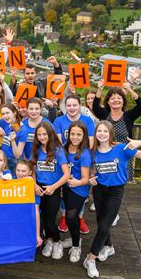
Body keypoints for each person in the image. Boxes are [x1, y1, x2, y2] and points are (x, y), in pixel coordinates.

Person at [83, 121, 141, 279]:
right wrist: (91, 180)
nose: (102, 133)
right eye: (99, 131)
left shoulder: (121, 148)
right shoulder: (93, 152)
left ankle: (90, 259)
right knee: (102, 220)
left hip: (116, 191)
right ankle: (108, 246)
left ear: (110, 133)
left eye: (105, 131)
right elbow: (92, 173)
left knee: (103, 226)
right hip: (99, 190)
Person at [53, 95, 95, 234]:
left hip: (80, 158)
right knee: (64, 190)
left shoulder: (87, 120)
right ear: (65, 106)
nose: (71, 108)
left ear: (79, 105)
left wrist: (82, 156)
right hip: (65, 158)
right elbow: (59, 142)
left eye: (74, 105)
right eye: (69, 105)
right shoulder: (59, 120)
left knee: (80, 189)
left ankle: (80, 217)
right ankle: (64, 216)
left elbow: (90, 142)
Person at [93, 81, 141, 183]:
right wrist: (100, 89)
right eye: (112, 98)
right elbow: (95, 106)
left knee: (120, 186)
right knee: (104, 182)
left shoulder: (129, 116)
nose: (115, 100)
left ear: (123, 101)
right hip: (106, 157)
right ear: (108, 102)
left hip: (124, 157)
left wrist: (130, 89)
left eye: (119, 98)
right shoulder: (104, 115)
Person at [32, 121, 70, 260]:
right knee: (41, 218)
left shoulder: (58, 151)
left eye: (45, 134)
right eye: (39, 134)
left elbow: (66, 175)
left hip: (53, 188)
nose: (42, 137)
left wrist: (53, 187)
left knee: (50, 220)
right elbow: (33, 170)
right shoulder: (36, 150)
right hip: (39, 188)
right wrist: (34, 183)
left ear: (50, 134)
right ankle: (49, 240)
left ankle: (58, 241)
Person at [61, 121, 92, 263]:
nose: (75, 137)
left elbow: (86, 178)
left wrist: (77, 182)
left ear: (84, 135)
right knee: (68, 216)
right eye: (72, 134)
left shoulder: (84, 154)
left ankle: (76, 245)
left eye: (79, 134)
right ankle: (74, 238)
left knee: (71, 217)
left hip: (78, 190)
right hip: (66, 188)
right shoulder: (65, 148)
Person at [15, 159, 43, 248]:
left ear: (30, 172)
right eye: (18, 170)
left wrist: (37, 235)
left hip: (29, 221)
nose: (20, 173)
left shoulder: (33, 188)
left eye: (23, 171)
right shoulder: (10, 183)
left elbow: (36, 212)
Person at [0, 103, 21, 176]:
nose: (5, 116)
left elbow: (18, 155)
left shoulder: (20, 129)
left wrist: (12, 140)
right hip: (4, 160)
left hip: (13, 162)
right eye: (3, 114)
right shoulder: (7, 125)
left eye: (7, 113)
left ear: (14, 113)